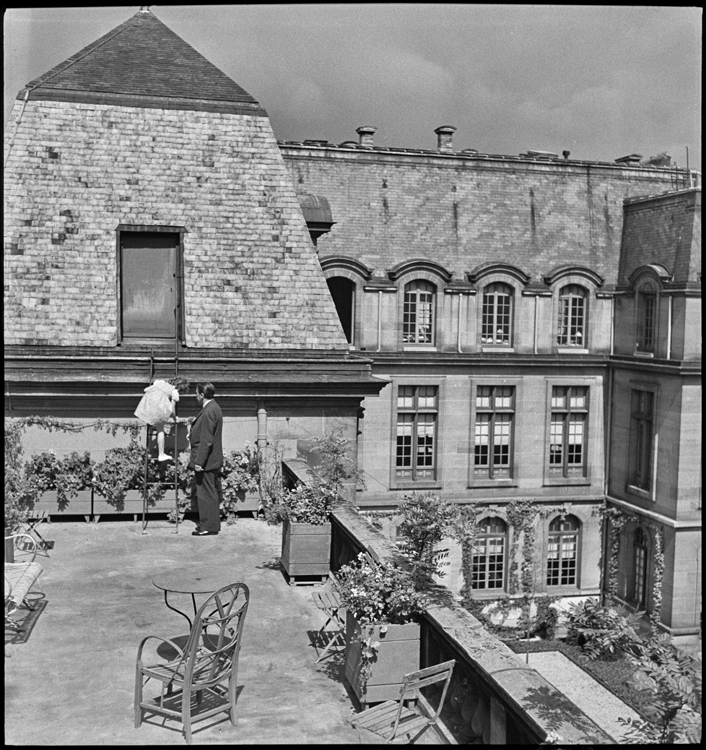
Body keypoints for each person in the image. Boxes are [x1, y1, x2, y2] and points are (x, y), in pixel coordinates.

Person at [189, 382, 224, 536]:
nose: (195, 396)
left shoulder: (209, 410)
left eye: (196, 393)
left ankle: (208, 527)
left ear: (202, 395)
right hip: (210, 460)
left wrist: (199, 462)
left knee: (206, 493)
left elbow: (207, 440)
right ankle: (211, 524)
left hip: (207, 461)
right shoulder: (213, 408)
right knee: (209, 492)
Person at [134, 376, 189, 461]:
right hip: (158, 411)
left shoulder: (160, 383)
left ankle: (154, 450)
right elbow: (172, 409)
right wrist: (175, 419)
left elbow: (146, 389)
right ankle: (161, 454)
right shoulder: (174, 392)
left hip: (147, 407)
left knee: (156, 425)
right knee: (160, 429)